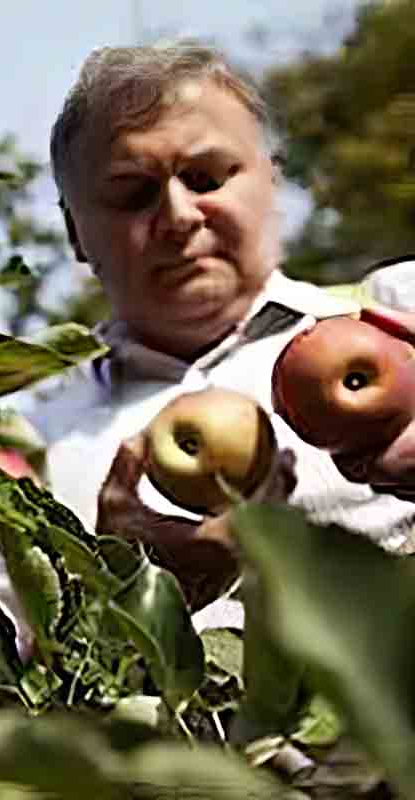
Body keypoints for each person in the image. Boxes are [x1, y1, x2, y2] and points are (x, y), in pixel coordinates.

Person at [31, 40, 415, 623]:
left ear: (272, 181)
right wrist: (118, 610)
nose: (179, 217)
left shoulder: (397, 318)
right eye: (133, 194)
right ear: (74, 232)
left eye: (206, 178)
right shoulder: (30, 451)